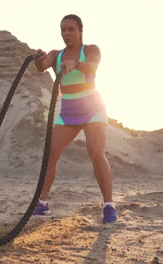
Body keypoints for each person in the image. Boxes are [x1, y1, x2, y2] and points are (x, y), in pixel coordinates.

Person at [33, 14, 117, 224]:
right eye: (63, 30)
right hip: (68, 111)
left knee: (96, 153)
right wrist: (37, 57)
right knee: (50, 155)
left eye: (71, 29)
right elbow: (40, 67)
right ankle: (42, 203)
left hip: (93, 108)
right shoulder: (56, 54)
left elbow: (92, 67)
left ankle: (109, 206)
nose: (66, 33)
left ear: (80, 31)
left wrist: (76, 64)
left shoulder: (90, 50)